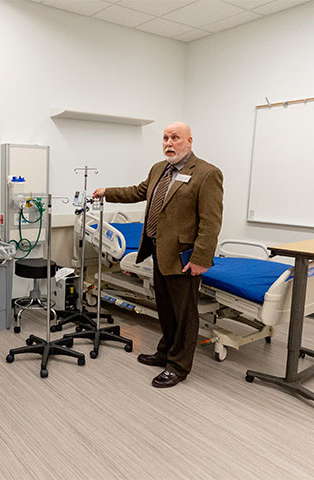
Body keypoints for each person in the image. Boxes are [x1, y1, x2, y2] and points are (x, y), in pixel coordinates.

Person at [93, 122, 223, 388]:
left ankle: (178, 366)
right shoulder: (158, 169)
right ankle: (165, 351)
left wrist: (200, 258)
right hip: (158, 252)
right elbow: (138, 192)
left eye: (175, 137)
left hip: (184, 256)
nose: (168, 142)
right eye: (165, 138)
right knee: (165, 309)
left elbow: (211, 222)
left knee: (184, 314)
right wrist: (108, 192)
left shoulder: (207, 174)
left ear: (189, 141)